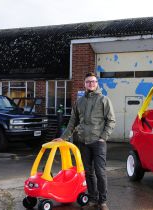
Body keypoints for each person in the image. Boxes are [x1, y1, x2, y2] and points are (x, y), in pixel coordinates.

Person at [53, 72, 116, 210]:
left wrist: (103, 138)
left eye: (93, 81)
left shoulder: (104, 100)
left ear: (97, 83)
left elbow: (111, 121)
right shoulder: (79, 102)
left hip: (98, 142)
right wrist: (63, 137)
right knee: (88, 172)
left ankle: (102, 201)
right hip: (82, 142)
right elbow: (72, 122)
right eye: (88, 82)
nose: (91, 84)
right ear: (84, 84)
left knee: (100, 172)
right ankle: (92, 199)